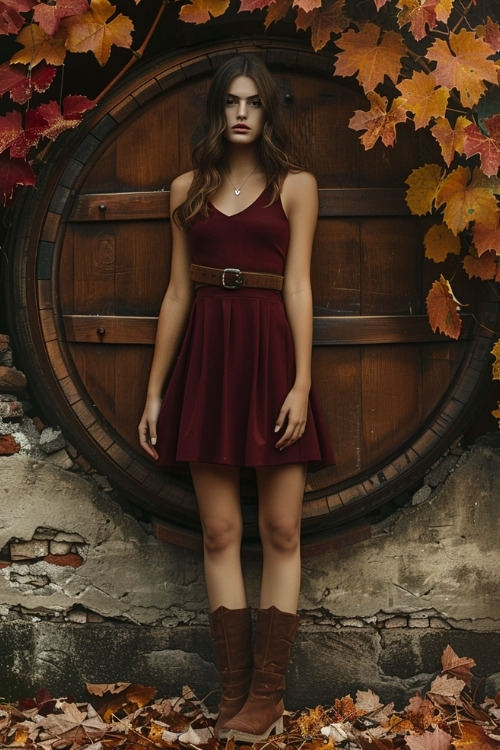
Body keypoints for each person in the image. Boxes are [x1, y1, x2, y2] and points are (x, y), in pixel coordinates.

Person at [138, 55, 333, 743]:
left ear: (268, 111)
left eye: (254, 102)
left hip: (273, 358)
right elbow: (175, 294)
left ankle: (269, 694)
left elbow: (299, 287)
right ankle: (234, 694)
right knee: (219, 533)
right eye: (231, 102)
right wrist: (157, 394)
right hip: (208, 363)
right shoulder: (185, 189)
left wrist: (302, 383)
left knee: (282, 532)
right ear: (217, 111)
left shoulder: (297, 186)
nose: (243, 112)